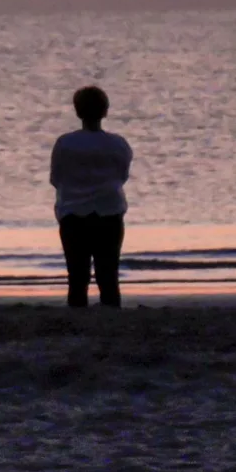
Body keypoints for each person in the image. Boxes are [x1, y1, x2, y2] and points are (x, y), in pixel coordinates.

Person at [50, 85, 132, 308]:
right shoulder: (118, 143)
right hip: (109, 212)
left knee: (77, 277)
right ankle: (112, 320)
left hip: (73, 214)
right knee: (109, 276)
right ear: (105, 111)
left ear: (77, 112)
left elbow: (56, 178)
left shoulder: (65, 143)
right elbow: (122, 175)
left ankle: (77, 322)